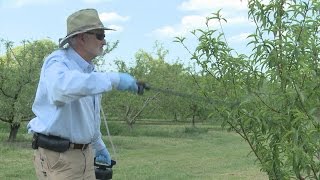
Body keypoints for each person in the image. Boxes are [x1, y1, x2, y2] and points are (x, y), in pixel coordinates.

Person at [27, 8, 140, 179]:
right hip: (59, 159)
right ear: (82, 37)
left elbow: (87, 117)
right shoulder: (57, 62)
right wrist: (114, 79)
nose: (104, 42)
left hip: (86, 156)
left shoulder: (89, 73)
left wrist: (98, 145)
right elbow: (60, 89)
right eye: (100, 35)